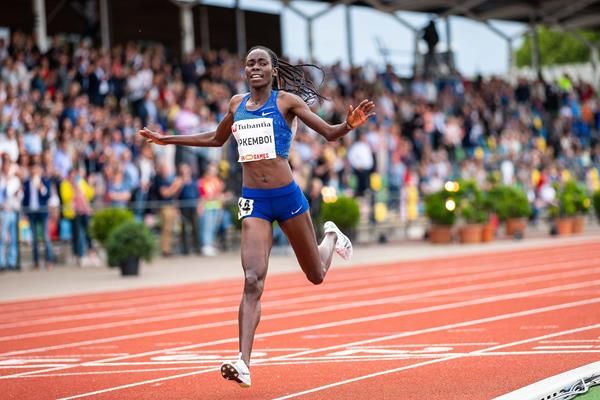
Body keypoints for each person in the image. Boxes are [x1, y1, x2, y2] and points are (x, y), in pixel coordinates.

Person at [139, 45, 375, 388]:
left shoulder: (287, 103)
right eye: (249, 63)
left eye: (261, 62)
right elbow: (215, 138)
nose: (255, 67)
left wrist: (349, 125)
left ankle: (331, 237)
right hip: (254, 202)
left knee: (316, 275)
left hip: (287, 198)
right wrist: (168, 139)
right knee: (252, 280)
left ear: (273, 70)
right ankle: (243, 362)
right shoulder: (236, 105)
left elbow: (329, 132)